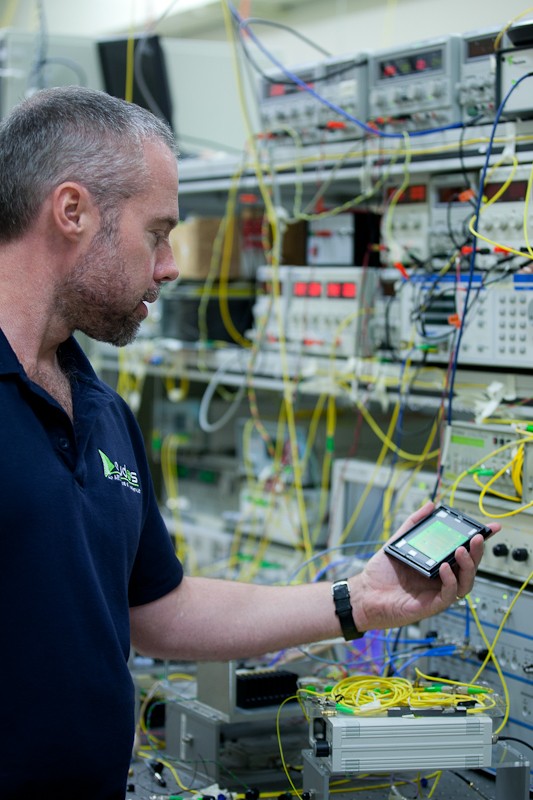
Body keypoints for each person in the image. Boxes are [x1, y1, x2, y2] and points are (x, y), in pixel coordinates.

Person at [0, 86, 499, 799]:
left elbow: (160, 611)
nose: (170, 265)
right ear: (72, 211)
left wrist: (358, 599)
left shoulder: (100, 409)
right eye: (157, 232)